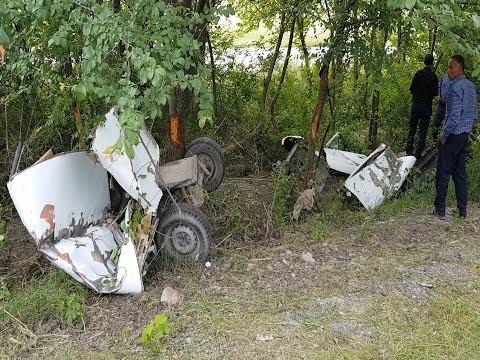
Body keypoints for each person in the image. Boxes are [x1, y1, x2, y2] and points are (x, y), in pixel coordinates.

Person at [433, 55, 478, 220]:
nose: (448, 71)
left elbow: (453, 117)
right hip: (464, 136)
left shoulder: (454, 88)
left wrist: (444, 135)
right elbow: (474, 116)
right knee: (460, 174)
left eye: (451, 67)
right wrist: (466, 130)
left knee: (443, 172)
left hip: (452, 136)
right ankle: (462, 211)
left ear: (460, 69)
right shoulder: (471, 87)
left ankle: (439, 210)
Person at [405, 53, 439, 158]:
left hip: (416, 105)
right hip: (426, 107)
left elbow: (411, 90)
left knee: (412, 127)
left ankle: (409, 150)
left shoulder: (418, 74)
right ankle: (418, 152)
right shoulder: (433, 76)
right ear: (432, 63)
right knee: (423, 130)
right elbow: (435, 95)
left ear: (424, 62)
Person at [432, 73, 449, 141]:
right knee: (435, 125)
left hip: (450, 107)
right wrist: (437, 95)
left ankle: (445, 146)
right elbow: (439, 86)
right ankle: (434, 143)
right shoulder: (445, 76)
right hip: (440, 105)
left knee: (446, 128)